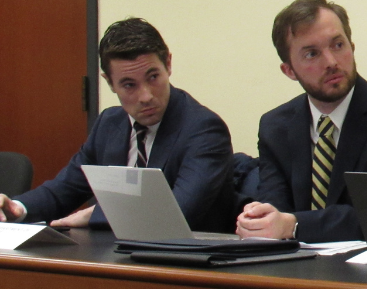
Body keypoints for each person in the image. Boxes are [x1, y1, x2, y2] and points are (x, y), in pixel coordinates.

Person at [0, 18, 234, 233]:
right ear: (110, 83)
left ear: (168, 64)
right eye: (129, 85)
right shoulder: (109, 124)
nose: (146, 96)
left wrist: (96, 215)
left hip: (186, 266)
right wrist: (18, 208)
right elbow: (65, 189)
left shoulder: (204, 129)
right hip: (116, 259)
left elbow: (178, 214)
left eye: (153, 77)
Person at [237, 0, 367, 242]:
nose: (331, 62)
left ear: (352, 46)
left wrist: (293, 225)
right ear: (289, 70)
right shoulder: (275, 127)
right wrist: (259, 221)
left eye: (338, 45)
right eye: (311, 54)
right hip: (292, 271)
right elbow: (275, 207)